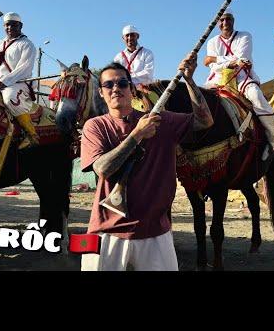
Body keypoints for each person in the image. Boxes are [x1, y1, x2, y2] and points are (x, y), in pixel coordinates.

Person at [80, 53, 213, 271]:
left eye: (123, 83)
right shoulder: (94, 126)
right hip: (106, 229)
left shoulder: (162, 120)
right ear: (101, 93)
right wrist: (137, 135)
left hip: (156, 232)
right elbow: (103, 169)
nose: (116, 88)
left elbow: (205, 121)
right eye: (109, 84)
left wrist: (189, 80)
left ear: (131, 90)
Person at [203, 9, 274, 159]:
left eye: (228, 19)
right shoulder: (212, 42)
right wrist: (228, 61)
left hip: (241, 77)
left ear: (233, 21)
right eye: (222, 20)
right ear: (217, 23)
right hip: (217, 79)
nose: (225, 23)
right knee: (199, 99)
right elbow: (213, 66)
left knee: (256, 97)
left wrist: (215, 59)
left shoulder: (245, 36)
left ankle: (273, 139)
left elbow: (242, 59)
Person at [0, 12, 39, 149]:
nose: (10, 27)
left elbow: (24, 68)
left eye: (14, 24)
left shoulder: (27, 44)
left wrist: (5, 81)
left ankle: (31, 135)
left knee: (9, 98)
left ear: (21, 25)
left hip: (18, 83)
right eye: (7, 24)